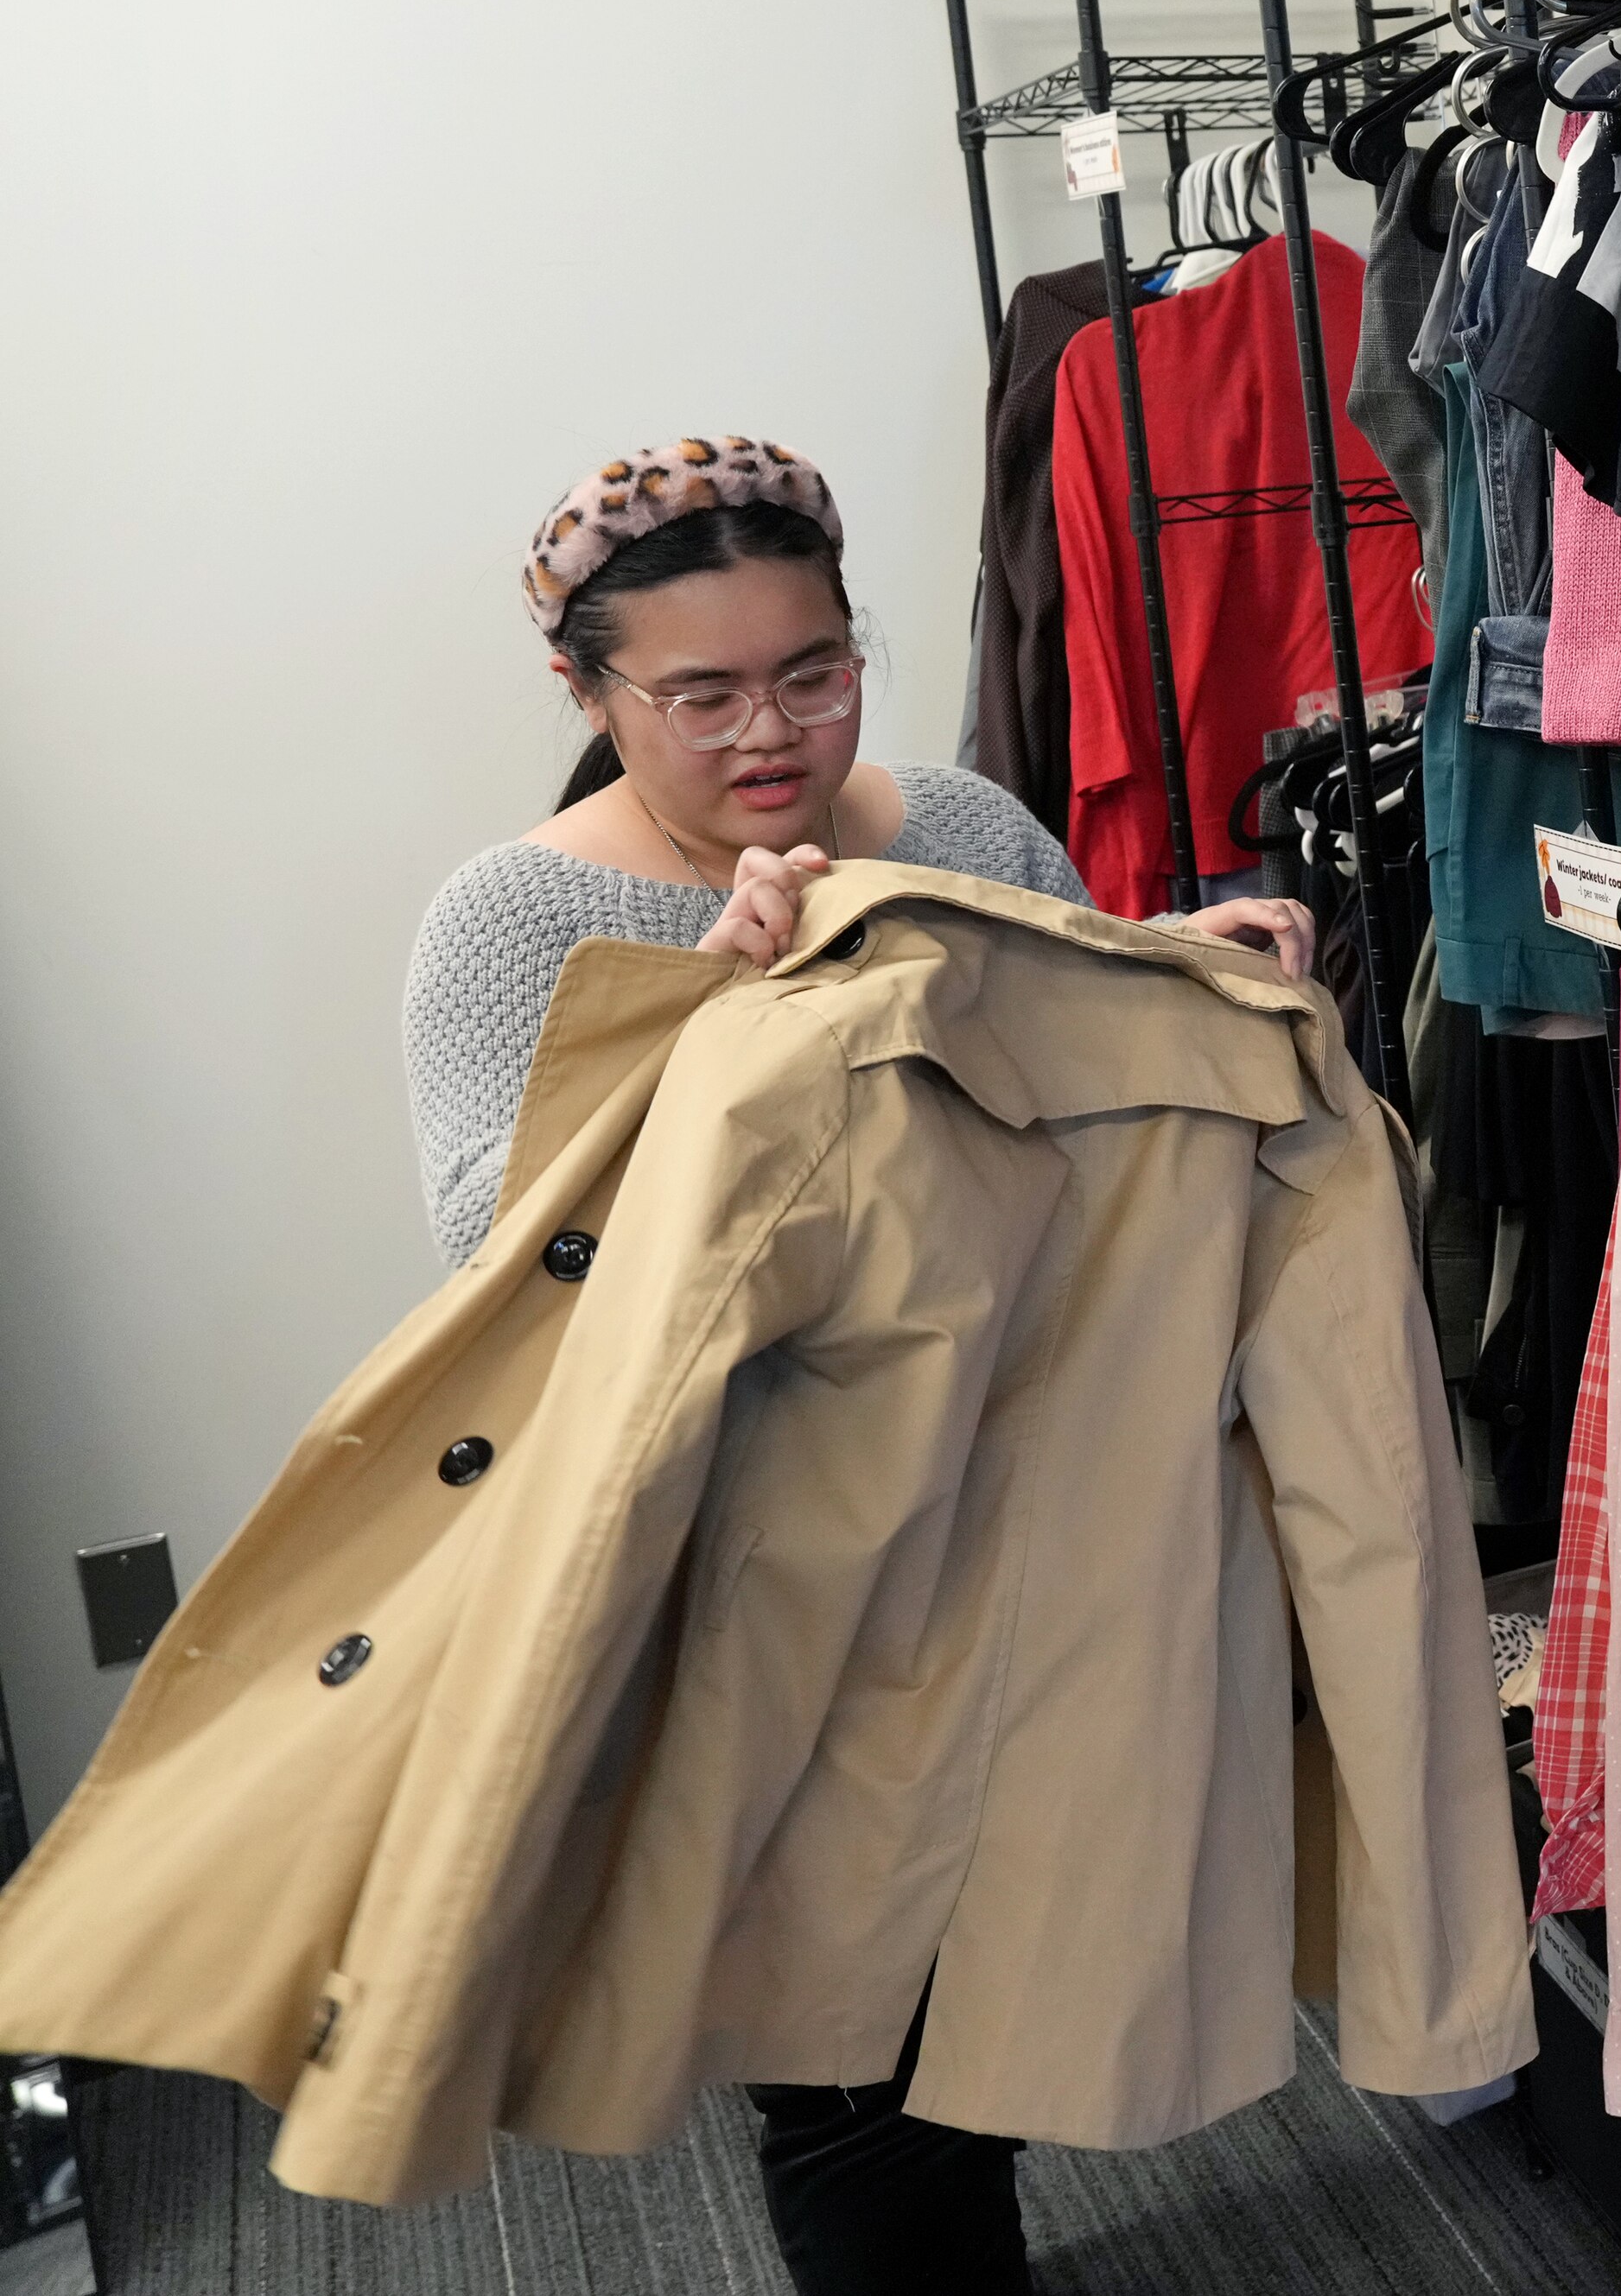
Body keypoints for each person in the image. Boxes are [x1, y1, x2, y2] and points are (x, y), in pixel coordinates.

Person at [396, 434, 1312, 2295]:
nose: (772, 733)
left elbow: (1056, 1071)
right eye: (705, 691)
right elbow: (509, 1263)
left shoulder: (959, 825)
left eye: (815, 672)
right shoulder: (516, 919)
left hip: (1003, 1518)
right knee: (845, 2045)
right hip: (743, 1574)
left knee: (1006, 1961)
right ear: (589, 690)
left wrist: (1184, 973)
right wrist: (723, 1020)